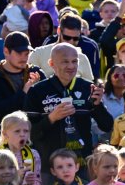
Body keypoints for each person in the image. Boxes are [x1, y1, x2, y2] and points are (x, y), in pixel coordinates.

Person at [25, 43, 113, 175]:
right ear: (51, 63)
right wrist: (51, 118)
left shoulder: (88, 88)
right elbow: (29, 134)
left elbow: (107, 126)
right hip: (49, 168)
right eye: (65, 62)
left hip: (81, 166)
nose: (71, 66)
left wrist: (97, 106)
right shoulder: (37, 91)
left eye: (74, 61)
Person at [0, 33, 42, 150]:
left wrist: (36, 90)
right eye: (19, 53)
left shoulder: (36, 73)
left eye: (27, 54)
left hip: (35, 143)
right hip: (4, 144)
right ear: (6, 51)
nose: (24, 57)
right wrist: (25, 91)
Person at [0, 111, 41, 185]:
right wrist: (15, 177)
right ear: (5, 134)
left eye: (26, 131)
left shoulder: (34, 155)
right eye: (17, 131)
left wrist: (30, 184)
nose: (22, 134)